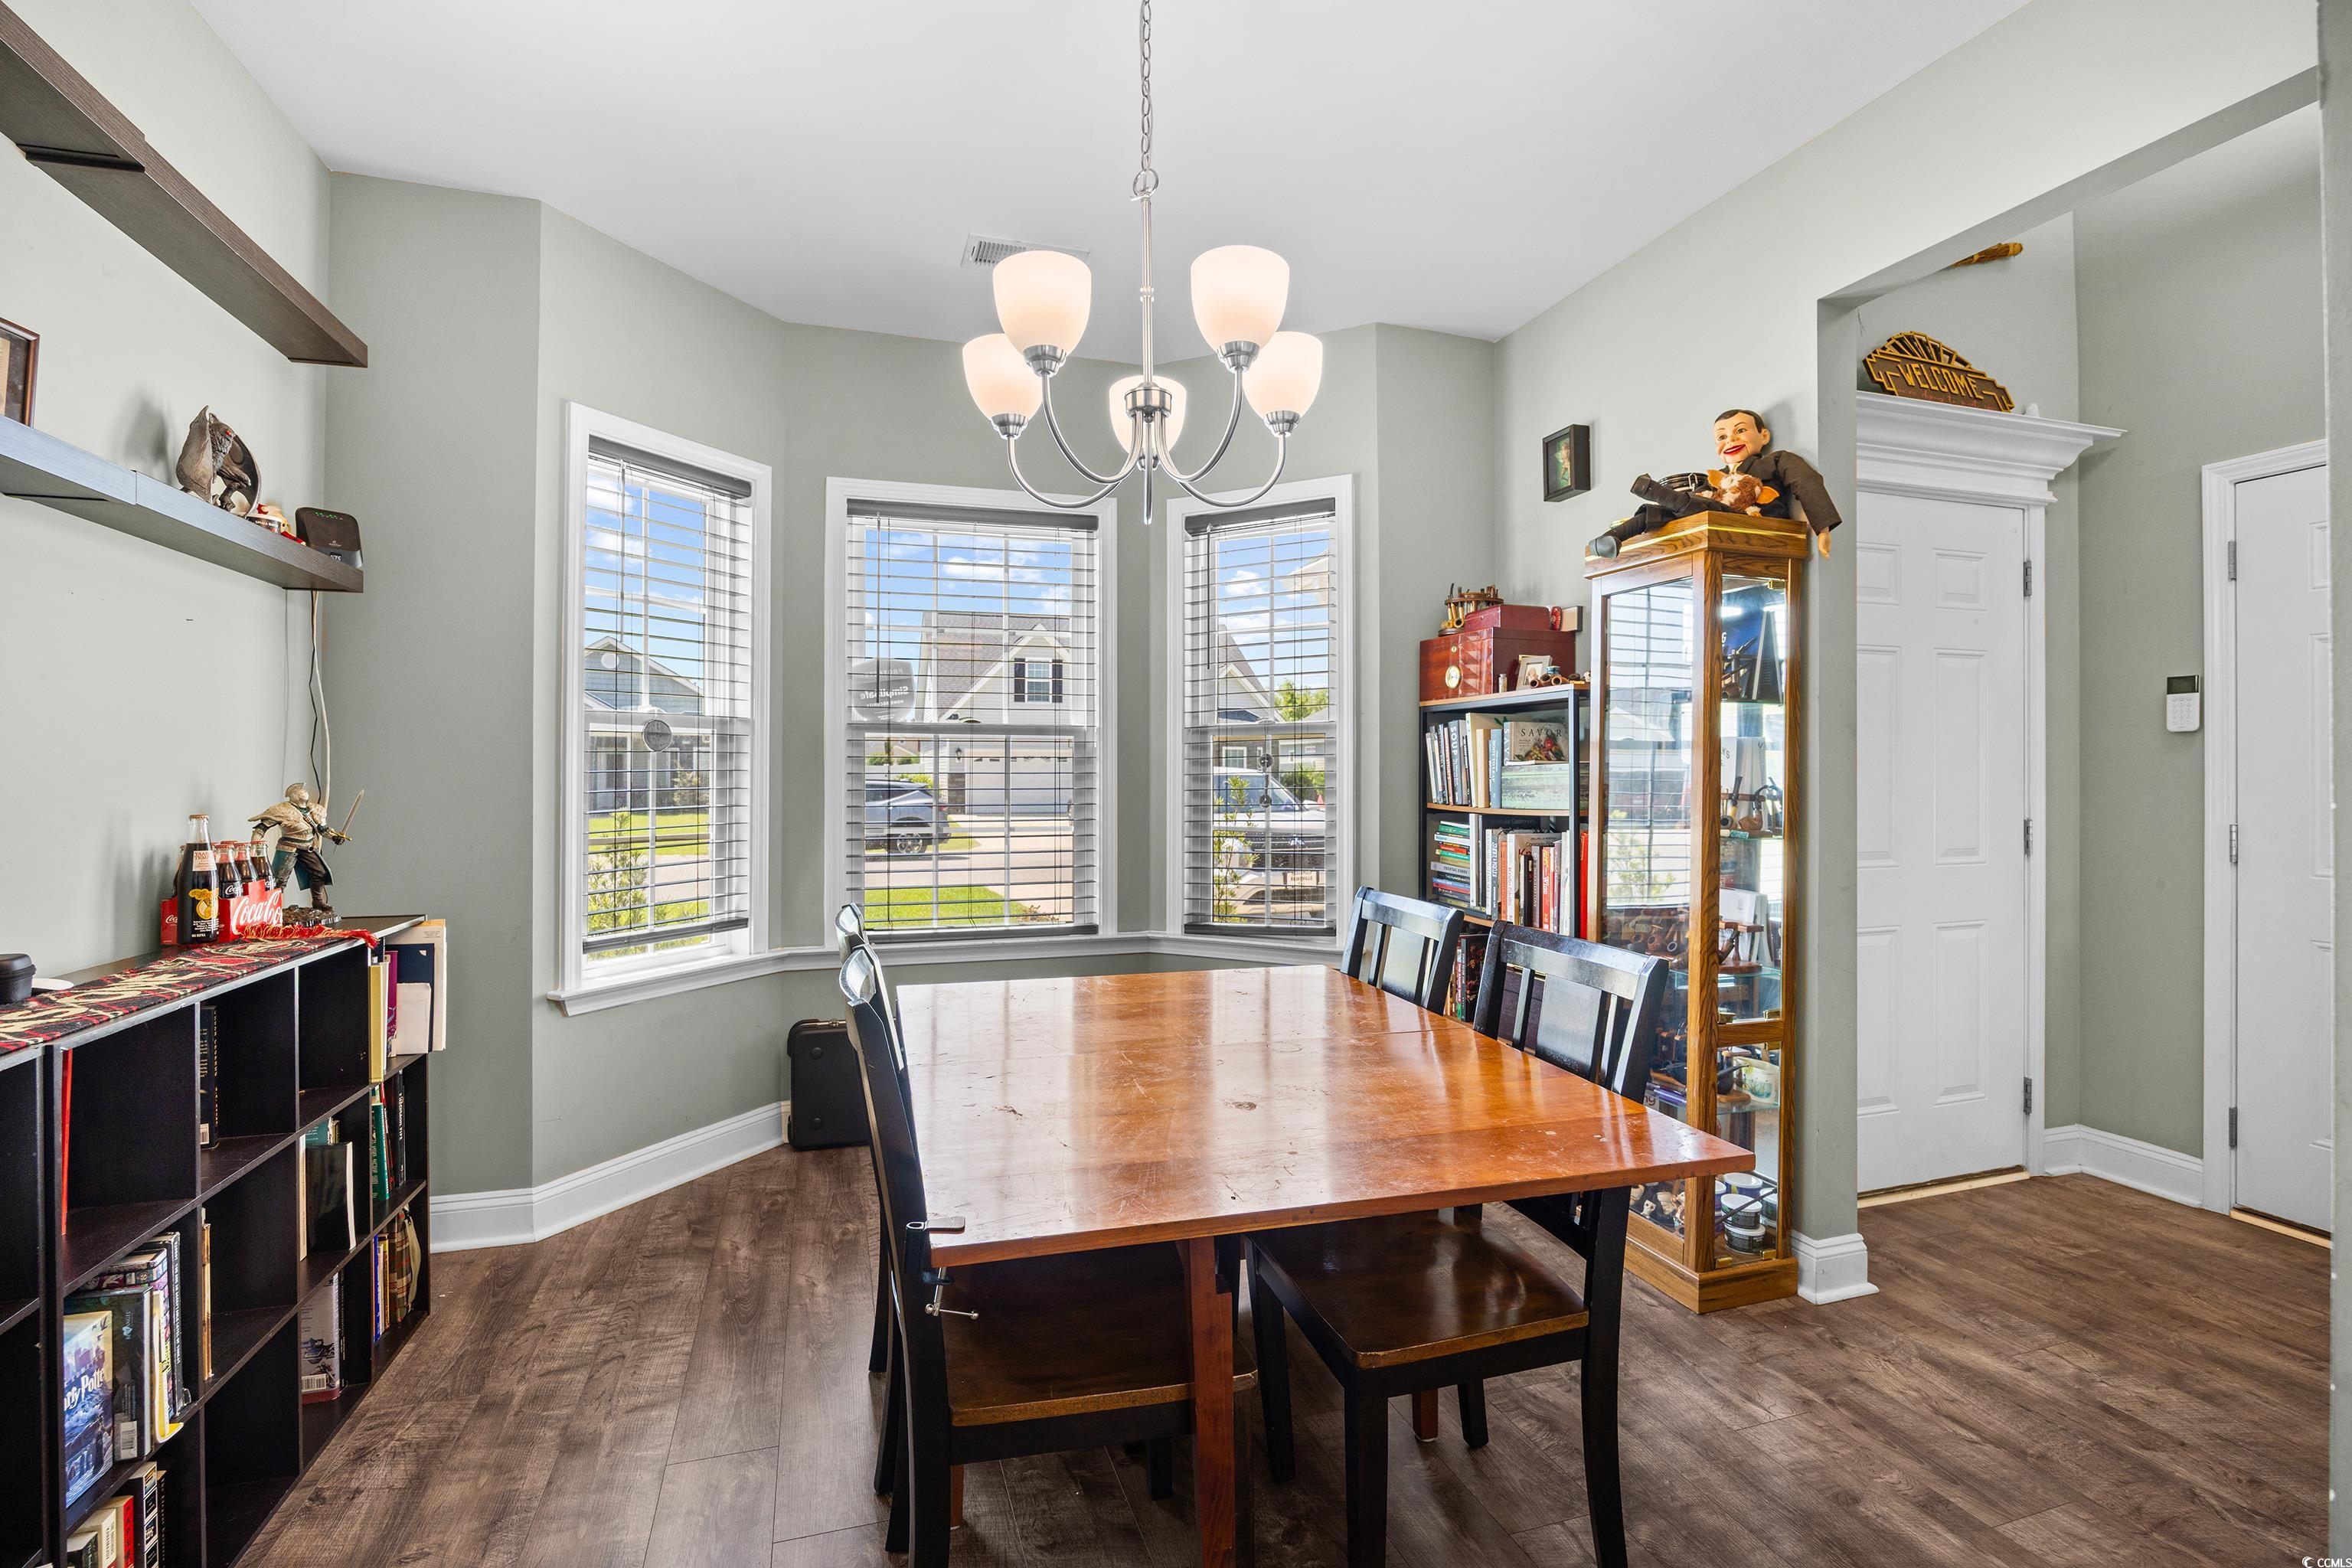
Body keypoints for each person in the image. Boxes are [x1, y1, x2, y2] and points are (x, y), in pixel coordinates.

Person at [1588, 408, 1844, 559]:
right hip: (1716, 520)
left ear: (1764, 435)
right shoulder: (1716, 476)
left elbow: (1807, 481)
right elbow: (1698, 502)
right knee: (1667, 511)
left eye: (1740, 431)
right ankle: (1610, 539)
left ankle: (1652, 490)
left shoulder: (1775, 461)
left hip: (1752, 521)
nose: (1730, 440)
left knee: (1703, 508)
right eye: (1721, 437)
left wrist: (1823, 528)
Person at [251, 782, 348, 917]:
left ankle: (318, 902)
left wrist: (335, 837)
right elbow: (261, 828)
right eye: (298, 791)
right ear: (293, 795)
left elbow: (323, 829)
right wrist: (255, 846)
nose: (302, 792)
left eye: (302, 789)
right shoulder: (282, 810)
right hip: (288, 847)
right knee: (278, 880)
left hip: (308, 848)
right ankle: (272, 908)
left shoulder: (315, 810)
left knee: (320, 873)